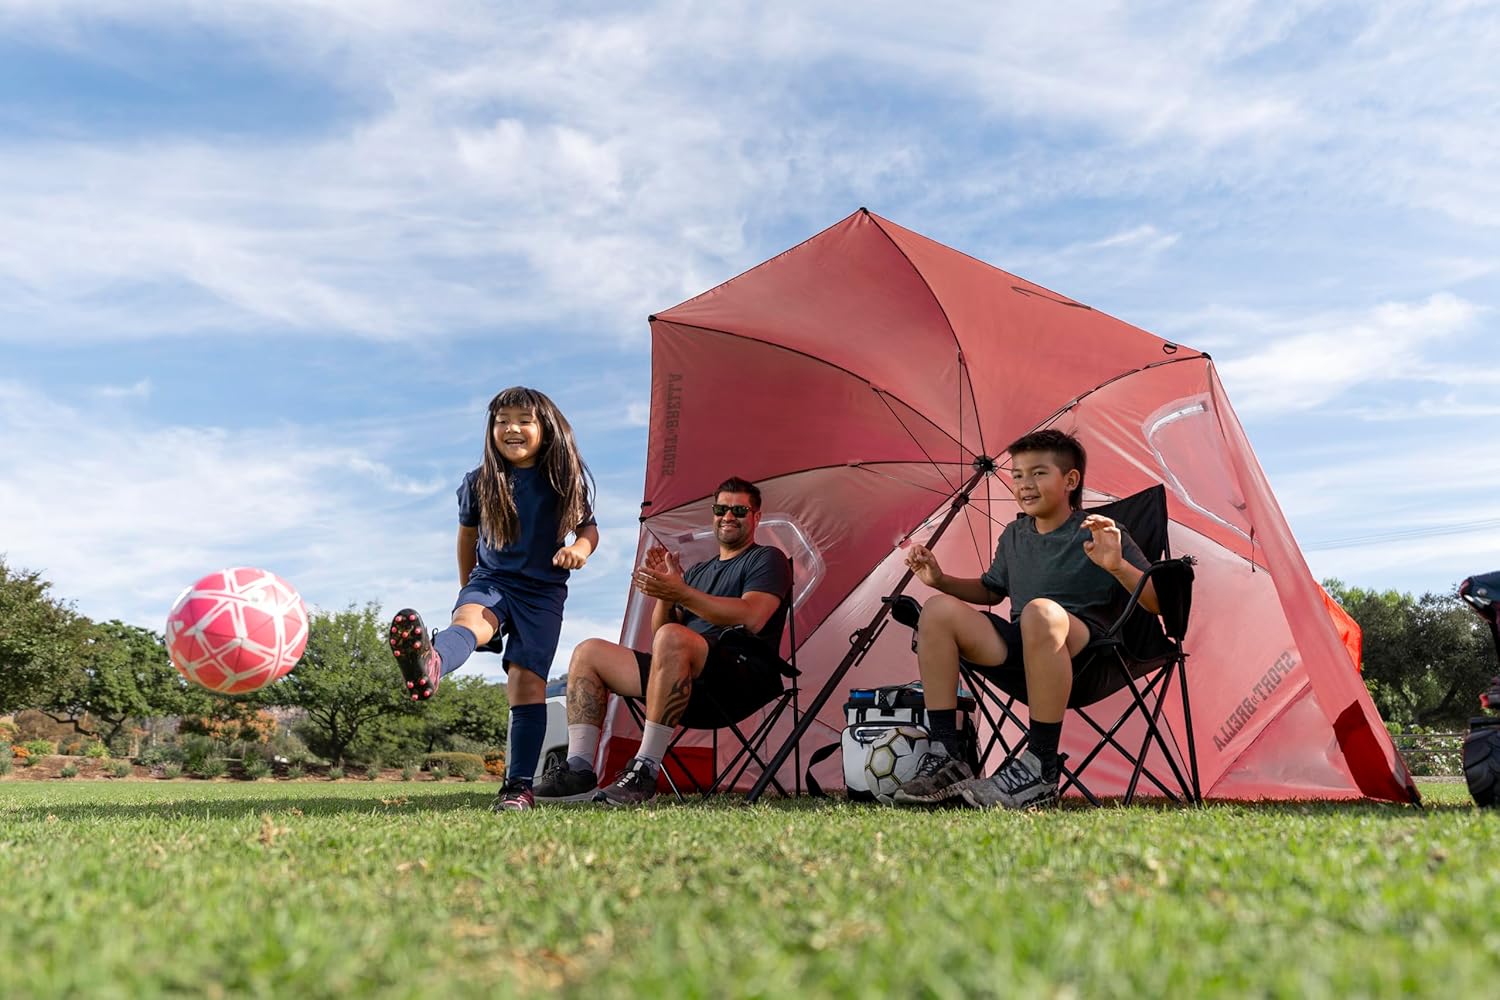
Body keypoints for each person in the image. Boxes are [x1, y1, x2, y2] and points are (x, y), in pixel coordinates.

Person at [893, 428, 1159, 810]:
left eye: (1038, 473)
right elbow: (991, 590)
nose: (1024, 483)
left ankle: (1040, 766)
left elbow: (1156, 603)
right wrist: (940, 580)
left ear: (1070, 480)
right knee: (936, 610)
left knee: (1040, 611)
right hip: (1021, 648)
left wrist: (1117, 566)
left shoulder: (1100, 531)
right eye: (1017, 474)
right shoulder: (1015, 534)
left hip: (1087, 653)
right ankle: (949, 756)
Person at [387, 386, 598, 812]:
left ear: (546, 428)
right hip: (493, 580)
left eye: (523, 419)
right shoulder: (480, 482)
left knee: (526, 684)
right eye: (501, 421)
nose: (511, 428)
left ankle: (518, 788)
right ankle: (431, 664)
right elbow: (466, 539)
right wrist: (467, 592)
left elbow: (589, 529)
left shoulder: (563, 479)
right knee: (467, 623)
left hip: (542, 593)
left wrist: (580, 549)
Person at [532, 476, 792, 806]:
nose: (728, 516)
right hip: (681, 679)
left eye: (739, 510)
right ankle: (579, 769)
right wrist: (665, 596)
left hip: (739, 676)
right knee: (589, 652)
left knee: (674, 638)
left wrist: (680, 591)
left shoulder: (767, 559)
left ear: (756, 516)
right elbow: (662, 634)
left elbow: (752, 615)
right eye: (721, 509)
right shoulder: (699, 572)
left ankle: (644, 770)